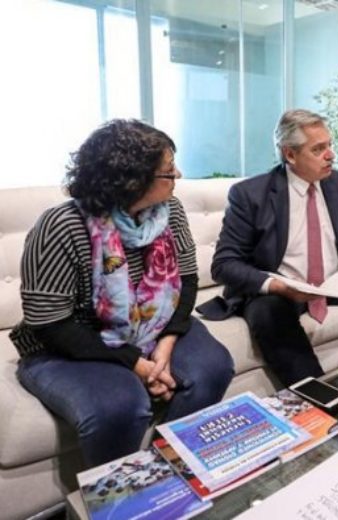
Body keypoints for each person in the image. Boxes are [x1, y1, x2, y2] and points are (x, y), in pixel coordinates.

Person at [12, 119, 235, 467]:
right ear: (132, 180)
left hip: (154, 326)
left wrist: (166, 345)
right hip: (70, 342)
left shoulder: (170, 211)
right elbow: (52, 324)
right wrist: (138, 364)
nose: (178, 174)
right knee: (120, 406)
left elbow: (187, 280)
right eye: (168, 170)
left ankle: (171, 469)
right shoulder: (62, 225)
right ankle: (121, 492)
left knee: (214, 367)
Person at [209, 109, 338, 386]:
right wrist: (278, 286)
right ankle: (321, 396)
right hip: (285, 290)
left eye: (329, 145)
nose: (331, 155)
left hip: (334, 282)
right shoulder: (250, 194)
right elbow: (224, 264)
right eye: (318, 149)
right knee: (266, 312)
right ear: (290, 154)